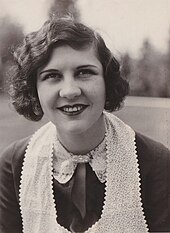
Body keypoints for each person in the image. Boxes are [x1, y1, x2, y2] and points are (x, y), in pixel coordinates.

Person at [0, 16, 170, 233]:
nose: (70, 91)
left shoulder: (155, 161)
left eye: (84, 72)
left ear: (106, 82)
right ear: (35, 90)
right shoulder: (15, 165)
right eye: (52, 75)